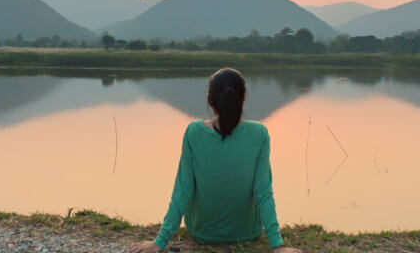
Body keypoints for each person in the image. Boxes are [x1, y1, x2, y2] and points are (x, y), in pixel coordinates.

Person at [126, 68, 303, 253]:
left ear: (210, 100)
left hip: (202, 232)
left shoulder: (193, 132)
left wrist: (159, 242)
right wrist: (278, 246)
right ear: (243, 99)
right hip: (247, 232)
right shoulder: (259, 134)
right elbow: (262, 191)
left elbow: (183, 190)